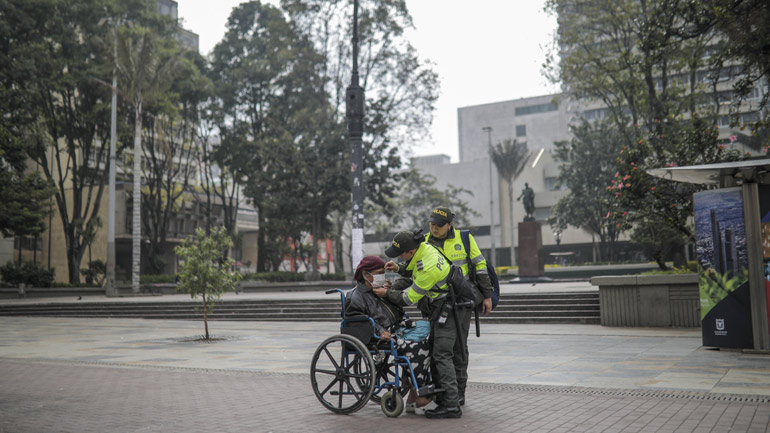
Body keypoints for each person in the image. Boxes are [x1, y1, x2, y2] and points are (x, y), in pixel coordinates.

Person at [372, 230, 464, 419]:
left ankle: (452, 406)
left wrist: (386, 294)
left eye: (401, 254)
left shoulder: (427, 268)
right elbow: (412, 267)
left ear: (411, 251)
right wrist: (398, 268)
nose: (399, 257)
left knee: (442, 355)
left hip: (448, 311)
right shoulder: (426, 248)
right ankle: (437, 397)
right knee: (436, 352)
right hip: (443, 308)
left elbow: (408, 298)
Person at [425, 206, 494, 407]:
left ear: (450, 224)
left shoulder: (464, 238)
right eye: (431, 224)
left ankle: (458, 393)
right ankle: (445, 392)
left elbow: (480, 265)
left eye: (438, 225)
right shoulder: (426, 243)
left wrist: (487, 296)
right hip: (436, 304)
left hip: (461, 303)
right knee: (439, 348)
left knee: (458, 348)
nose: (434, 229)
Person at [346, 255, 432, 413]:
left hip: (398, 327)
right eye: (379, 273)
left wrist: (389, 292)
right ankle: (419, 393)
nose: (382, 276)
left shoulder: (378, 290)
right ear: (366, 274)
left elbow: (397, 311)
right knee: (415, 347)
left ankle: (414, 390)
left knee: (432, 334)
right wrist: (381, 331)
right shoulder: (356, 296)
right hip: (380, 335)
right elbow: (360, 320)